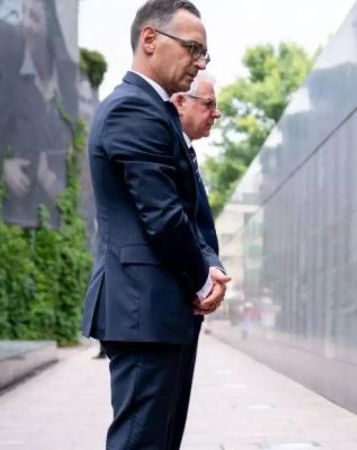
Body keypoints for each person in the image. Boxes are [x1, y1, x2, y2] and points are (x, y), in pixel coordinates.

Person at [79, 1, 231, 448]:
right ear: (149, 40)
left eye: (205, 53)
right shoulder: (133, 109)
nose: (199, 61)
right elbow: (163, 215)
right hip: (142, 311)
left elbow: (184, 211)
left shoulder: (156, 111)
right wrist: (204, 282)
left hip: (159, 312)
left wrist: (208, 267)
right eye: (192, 48)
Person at [0, 0, 79, 227]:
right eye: (22, 14)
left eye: (33, 16)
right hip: (14, 213)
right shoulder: (8, 73)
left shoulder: (68, 78)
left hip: (58, 217)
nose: (25, 24)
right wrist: (4, 167)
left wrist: (50, 178)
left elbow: (78, 152)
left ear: (49, 22)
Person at [166, 71, 223, 448]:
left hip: (183, 311)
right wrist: (205, 281)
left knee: (168, 429)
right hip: (164, 307)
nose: (216, 114)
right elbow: (170, 221)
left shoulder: (186, 151)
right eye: (209, 103)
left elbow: (199, 225)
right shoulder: (162, 144)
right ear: (181, 102)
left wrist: (214, 269)